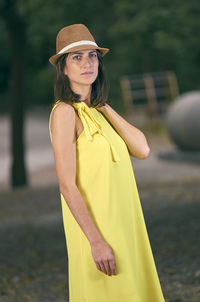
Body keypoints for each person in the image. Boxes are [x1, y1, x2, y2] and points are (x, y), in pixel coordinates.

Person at [48, 24, 166, 302]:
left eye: (92, 56)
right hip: (98, 231)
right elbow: (66, 185)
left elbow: (143, 148)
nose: (87, 63)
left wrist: (103, 106)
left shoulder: (100, 112)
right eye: (76, 57)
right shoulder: (64, 113)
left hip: (126, 225)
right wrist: (96, 241)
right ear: (63, 68)